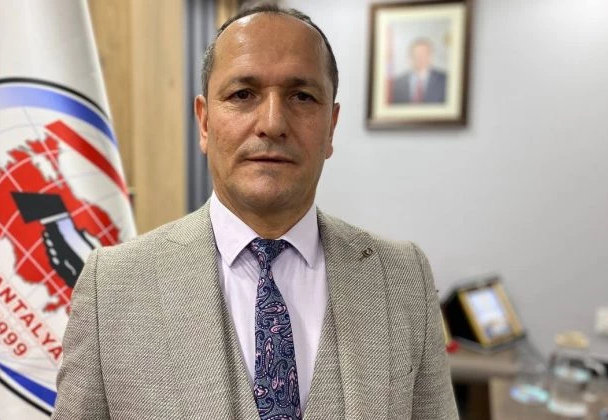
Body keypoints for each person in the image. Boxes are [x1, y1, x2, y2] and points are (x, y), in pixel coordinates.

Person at [53, 5, 458, 420]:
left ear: (331, 127)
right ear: (204, 123)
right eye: (243, 95)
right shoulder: (113, 286)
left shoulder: (403, 278)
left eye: (302, 96)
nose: (273, 122)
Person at [391, 38, 447, 104]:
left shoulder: (445, 80)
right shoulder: (397, 83)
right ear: (410, 57)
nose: (421, 58)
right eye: (417, 55)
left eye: (425, 54)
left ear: (431, 56)